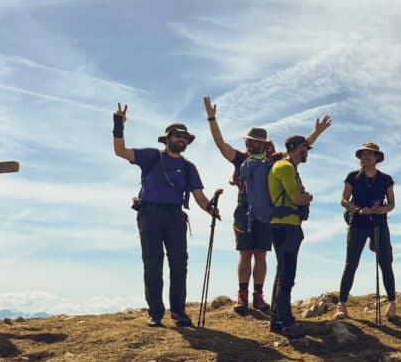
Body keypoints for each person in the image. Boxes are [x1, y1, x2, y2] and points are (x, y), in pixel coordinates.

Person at [202, 96, 331, 313]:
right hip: (244, 209)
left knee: (261, 253)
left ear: (263, 143)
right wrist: (212, 118)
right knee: (245, 253)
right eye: (247, 141)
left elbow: (299, 149)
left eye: (253, 141)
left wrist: (316, 131)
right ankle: (242, 296)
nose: (248, 144)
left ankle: (258, 297)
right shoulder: (241, 158)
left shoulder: (274, 158)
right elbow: (220, 145)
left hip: (267, 212)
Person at [112, 104, 220, 328]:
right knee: (153, 264)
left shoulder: (189, 167)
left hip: (175, 216)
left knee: (179, 264)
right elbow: (120, 151)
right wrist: (118, 125)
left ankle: (179, 312)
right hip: (149, 214)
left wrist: (211, 209)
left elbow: (199, 197)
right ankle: (155, 313)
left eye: (185, 137)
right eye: (177, 136)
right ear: (167, 138)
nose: (182, 140)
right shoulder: (152, 156)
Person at [335, 142, 397, 321]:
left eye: (369, 155)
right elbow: (343, 199)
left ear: (377, 158)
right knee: (351, 263)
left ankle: (392, 304)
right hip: (357, 224)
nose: (365, 158)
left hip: (379, 223)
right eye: (363, 155)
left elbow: (392, 203)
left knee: (386, 263)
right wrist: (357, 209)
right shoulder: (353, 176)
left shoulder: (386, 179)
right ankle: (342, 304)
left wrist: (383, 210)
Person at [266, 135, 314, 337]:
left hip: (286, 226)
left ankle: (277, 319)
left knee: (282, 273)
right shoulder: (285, 168)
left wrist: (303, 197)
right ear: (296, 148)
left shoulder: (290, 168)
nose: (307, 152)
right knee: (287, 276)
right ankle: (286, 322)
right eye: (305, 148)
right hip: (285, 226)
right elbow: (297, 197)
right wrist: (307, 197)